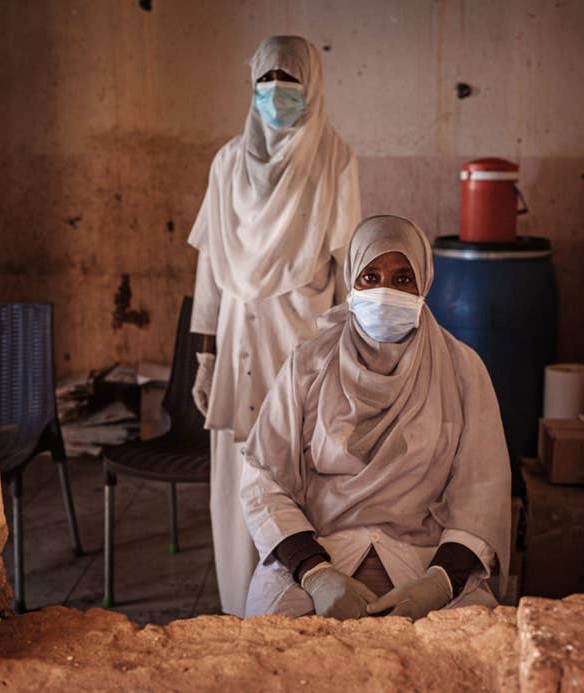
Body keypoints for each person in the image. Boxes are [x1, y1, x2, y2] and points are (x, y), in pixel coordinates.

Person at [240, 215, 511, 619]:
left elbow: (482, 487)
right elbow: (263, 475)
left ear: (425, 282)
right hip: (320, 553)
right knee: (269, 662)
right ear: (351, 281)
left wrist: (440, 580)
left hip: (426, 561)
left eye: (403, 279)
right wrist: (314, 571)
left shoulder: (461, 370)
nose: (386, 292)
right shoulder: (309, 365)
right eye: (370, 277)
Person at [188, 36, 361, 617]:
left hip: (303, 341)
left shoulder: (335, 159)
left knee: (298, 477)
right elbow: (210, 266)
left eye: (289, 80)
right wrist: (206, 355)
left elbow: (347, 269)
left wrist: (347, 356)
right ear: (251, 83)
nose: (276, 92)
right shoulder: (227, 162)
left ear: (312, 85)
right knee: (240, 480)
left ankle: (292, 612)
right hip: (239, 340)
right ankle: (241, 612)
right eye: (267, 79)